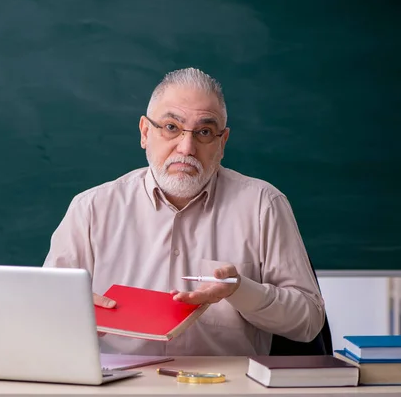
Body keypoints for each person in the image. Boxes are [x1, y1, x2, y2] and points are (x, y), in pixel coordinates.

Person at [43, 68, 325, 356]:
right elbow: (42, 315)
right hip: (122, 387)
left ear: (222, 142)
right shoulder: (90, 209)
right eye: (171, 127)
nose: (187, 147)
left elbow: (309, 322)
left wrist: (240, 291)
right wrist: (70, 317)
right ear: (145, 132)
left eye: (204, 132)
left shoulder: (264, 205)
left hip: (226, 388)